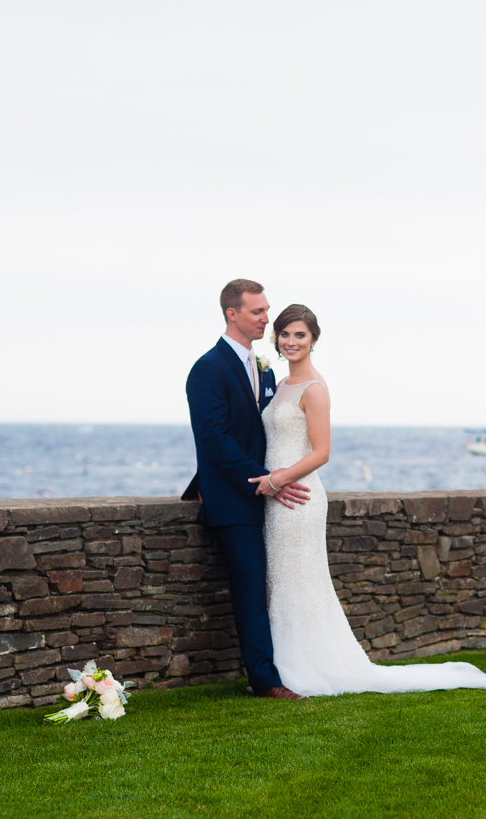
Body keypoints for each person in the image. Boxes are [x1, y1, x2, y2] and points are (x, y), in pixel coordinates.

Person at [248, 303, 486, 695]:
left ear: (314, 339)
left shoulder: (314, 389)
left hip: (297, 498)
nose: (291, 341)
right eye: (285, 334)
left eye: (300, 334)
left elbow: (322, 452)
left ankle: (308, 668)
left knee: (300, 582)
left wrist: (278, 480)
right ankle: (284, 665)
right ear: (276, 339)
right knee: (283, 585)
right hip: (275, 499)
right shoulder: (280, 385)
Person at [183, 279, 311, 701]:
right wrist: (264, 480)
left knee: (274, 584)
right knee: (252, 585)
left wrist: (277, 478)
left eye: (266, 310)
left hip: (266, 491)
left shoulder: (262, 366)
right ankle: (266, 682)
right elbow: (214, 439)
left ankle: (290, 665)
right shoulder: (208, 368)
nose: (266, 319)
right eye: (257, 312)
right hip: (235, 497)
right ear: (231, 314)